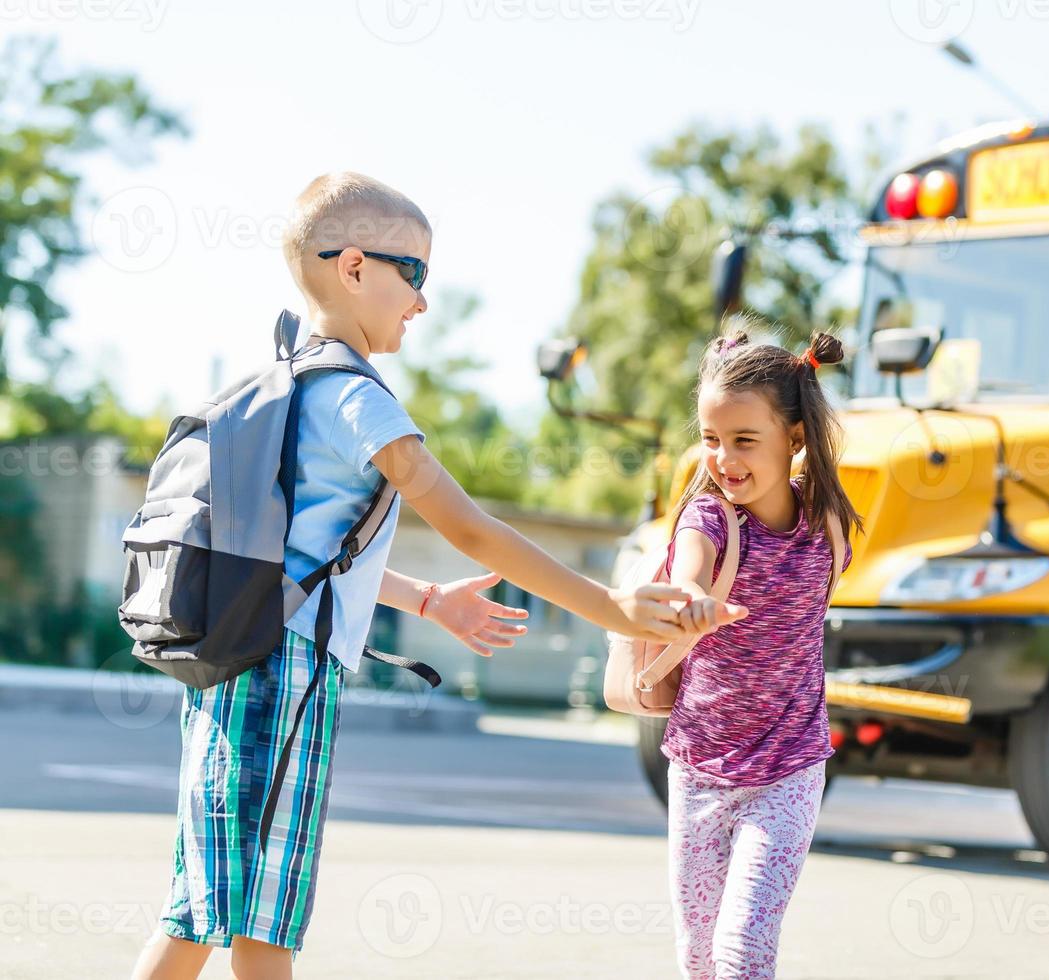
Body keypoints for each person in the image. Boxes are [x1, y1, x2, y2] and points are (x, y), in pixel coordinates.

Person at [130, 171, 745, 980]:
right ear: (352, 268)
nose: (422, 300)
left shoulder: (296, 380)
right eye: (412, 272)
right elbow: (470, 525)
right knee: (258, 918)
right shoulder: (358, 399)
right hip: (283, 680)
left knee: (214, 910)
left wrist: (425, 598)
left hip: (239, 669)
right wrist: (614, 609)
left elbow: (298, 556)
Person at [661, 327, 865, 980]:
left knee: (742, 949)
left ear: (795, 439)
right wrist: (689, 597)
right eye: (712, 439)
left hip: (789, 771)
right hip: (698, 772)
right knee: (698, 960)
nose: (723, 459)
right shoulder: (711, 520)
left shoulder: (827, 524)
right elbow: (688, 568)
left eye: (745, 440)